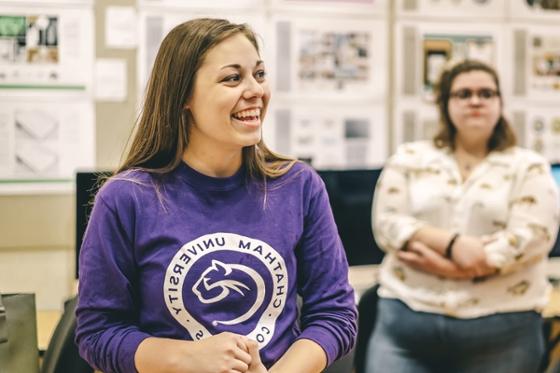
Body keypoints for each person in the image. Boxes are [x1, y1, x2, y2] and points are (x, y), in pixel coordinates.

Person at [75, 18, 357, 373]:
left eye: (259, 74)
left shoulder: (299, 186)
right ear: (184, 97)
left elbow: (335, 313)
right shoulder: (125, 198)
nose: (255, 90)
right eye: (232, 78)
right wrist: (188, 357)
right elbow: (97, 333)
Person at [366, 59, 560, 373]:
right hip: (407, 326)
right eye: (463, 94)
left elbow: (533, 235)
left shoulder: (529, 166)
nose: (475, 101)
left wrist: (448, 267)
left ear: (499, 103)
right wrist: (453, 244)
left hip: (504, 332)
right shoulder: (409, 157)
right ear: (446, 104)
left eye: (486, 93)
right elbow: (388, 223)